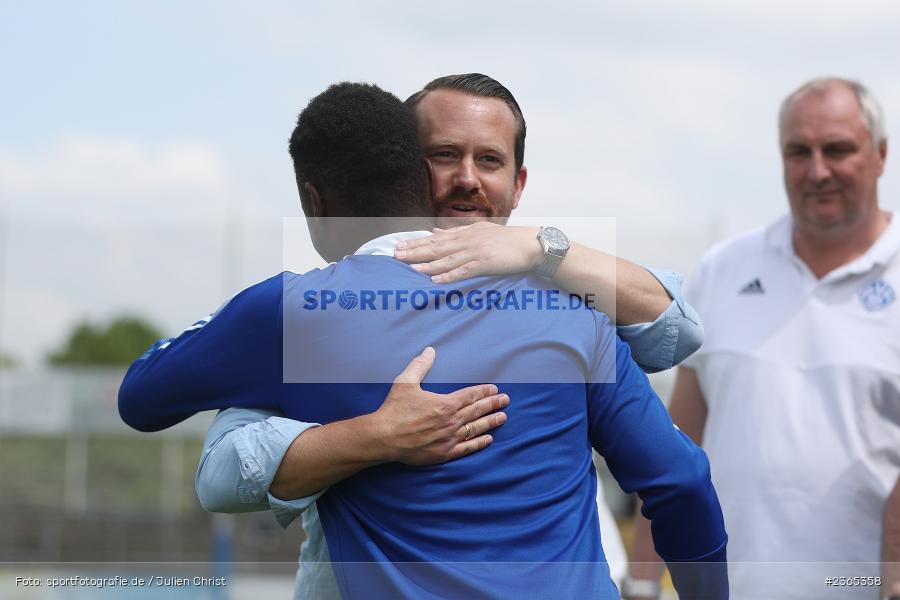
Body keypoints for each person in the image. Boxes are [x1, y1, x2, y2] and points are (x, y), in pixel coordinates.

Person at [119, 82, 727, 599]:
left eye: (488, 161)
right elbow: (679, 479)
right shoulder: (576, 313)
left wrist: (545, 248)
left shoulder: (296, 314)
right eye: (445, 155)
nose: (466, 179)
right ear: (413, 168)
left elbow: (144, 400)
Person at [624, 77, 900, 600]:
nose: (817, 170)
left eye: (837, 149)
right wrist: (641, 584)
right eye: (798, 152)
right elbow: (676, 452)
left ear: (881, 154)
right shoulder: (723, 269)